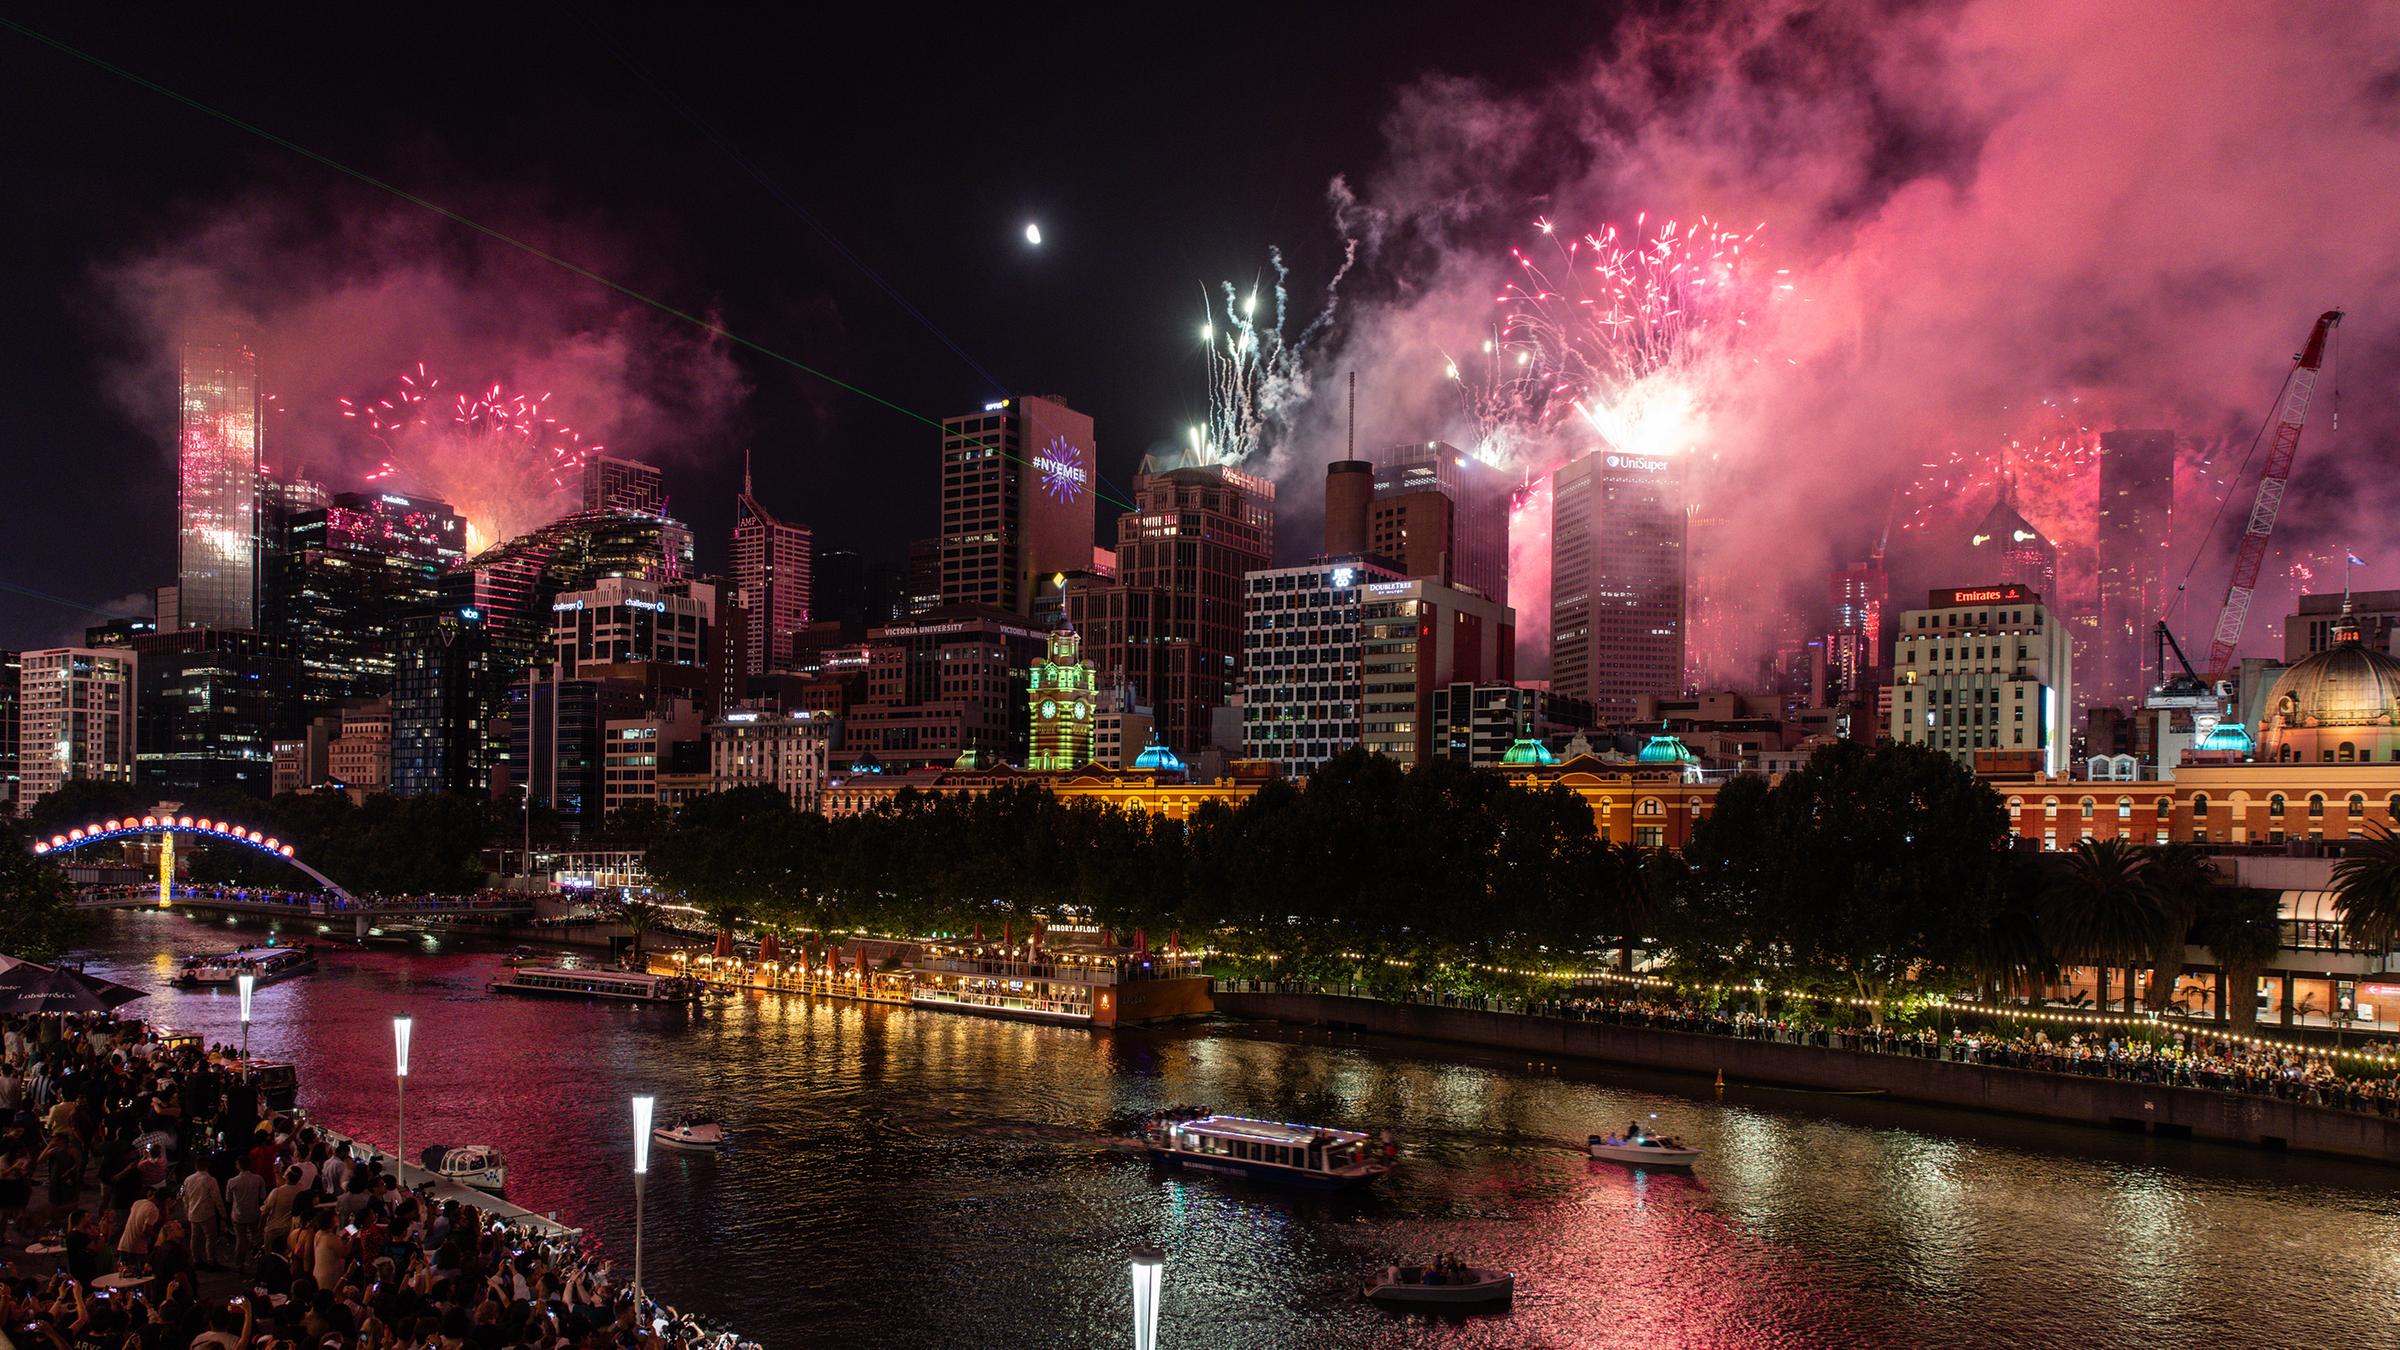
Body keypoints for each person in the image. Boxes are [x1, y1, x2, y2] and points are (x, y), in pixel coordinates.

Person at [180, 1162, 225, 1271]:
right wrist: (222, 1213)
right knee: (210, 1238)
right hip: (207, 1213)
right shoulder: (210, 1180)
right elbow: (216, 1198)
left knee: (195, 1237)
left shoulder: (188, 1179)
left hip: (193, 1212)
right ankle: (211, 1260)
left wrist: (186, 1210)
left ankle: (197, 1260)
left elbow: (185, 1197)